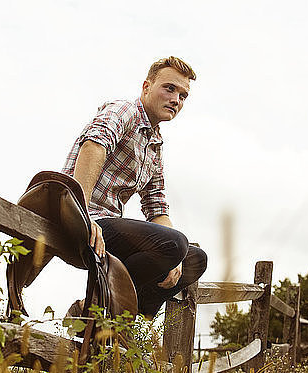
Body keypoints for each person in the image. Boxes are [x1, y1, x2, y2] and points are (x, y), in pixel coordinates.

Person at [62, 56, 207, 318]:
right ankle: (97, 310)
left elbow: (156, 206)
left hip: (107, 228)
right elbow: (94, 144)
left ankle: (117, 319)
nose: (176, 99)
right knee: (175, 245)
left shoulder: (155, 146)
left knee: (194, 259)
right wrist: (81, 211)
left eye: (183, 96)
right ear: (146, 87)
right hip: (78, 214)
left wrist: (178, 256)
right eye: (169, 88)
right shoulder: (125, 110)